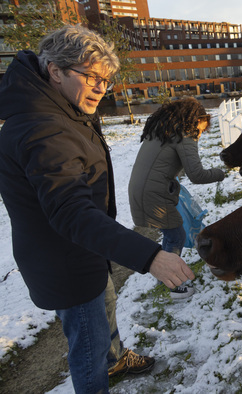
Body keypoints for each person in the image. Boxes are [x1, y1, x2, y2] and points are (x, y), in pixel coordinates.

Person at [0, 24, 195, 393]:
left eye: (106, 80)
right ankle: (101, 372)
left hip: (84, 249)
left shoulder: (58, 108)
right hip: (65, 261)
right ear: (56, 71)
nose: (101, 89)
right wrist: (151, 256)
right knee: (87, 347)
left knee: (104, 309)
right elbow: (71, 212)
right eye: (92, 77)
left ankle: (116, 358)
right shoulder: (44, 128)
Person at [128, 97, 225, 298]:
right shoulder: (185, 135)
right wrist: (222, 172)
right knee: (176, 235)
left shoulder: (162, 131)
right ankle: (174, 284)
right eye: (200, 130)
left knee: (172, 232)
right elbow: (196, 175)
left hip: (142, 189)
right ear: (193, 121)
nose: (199, 135)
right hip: (154, 192)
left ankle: (165, 274)